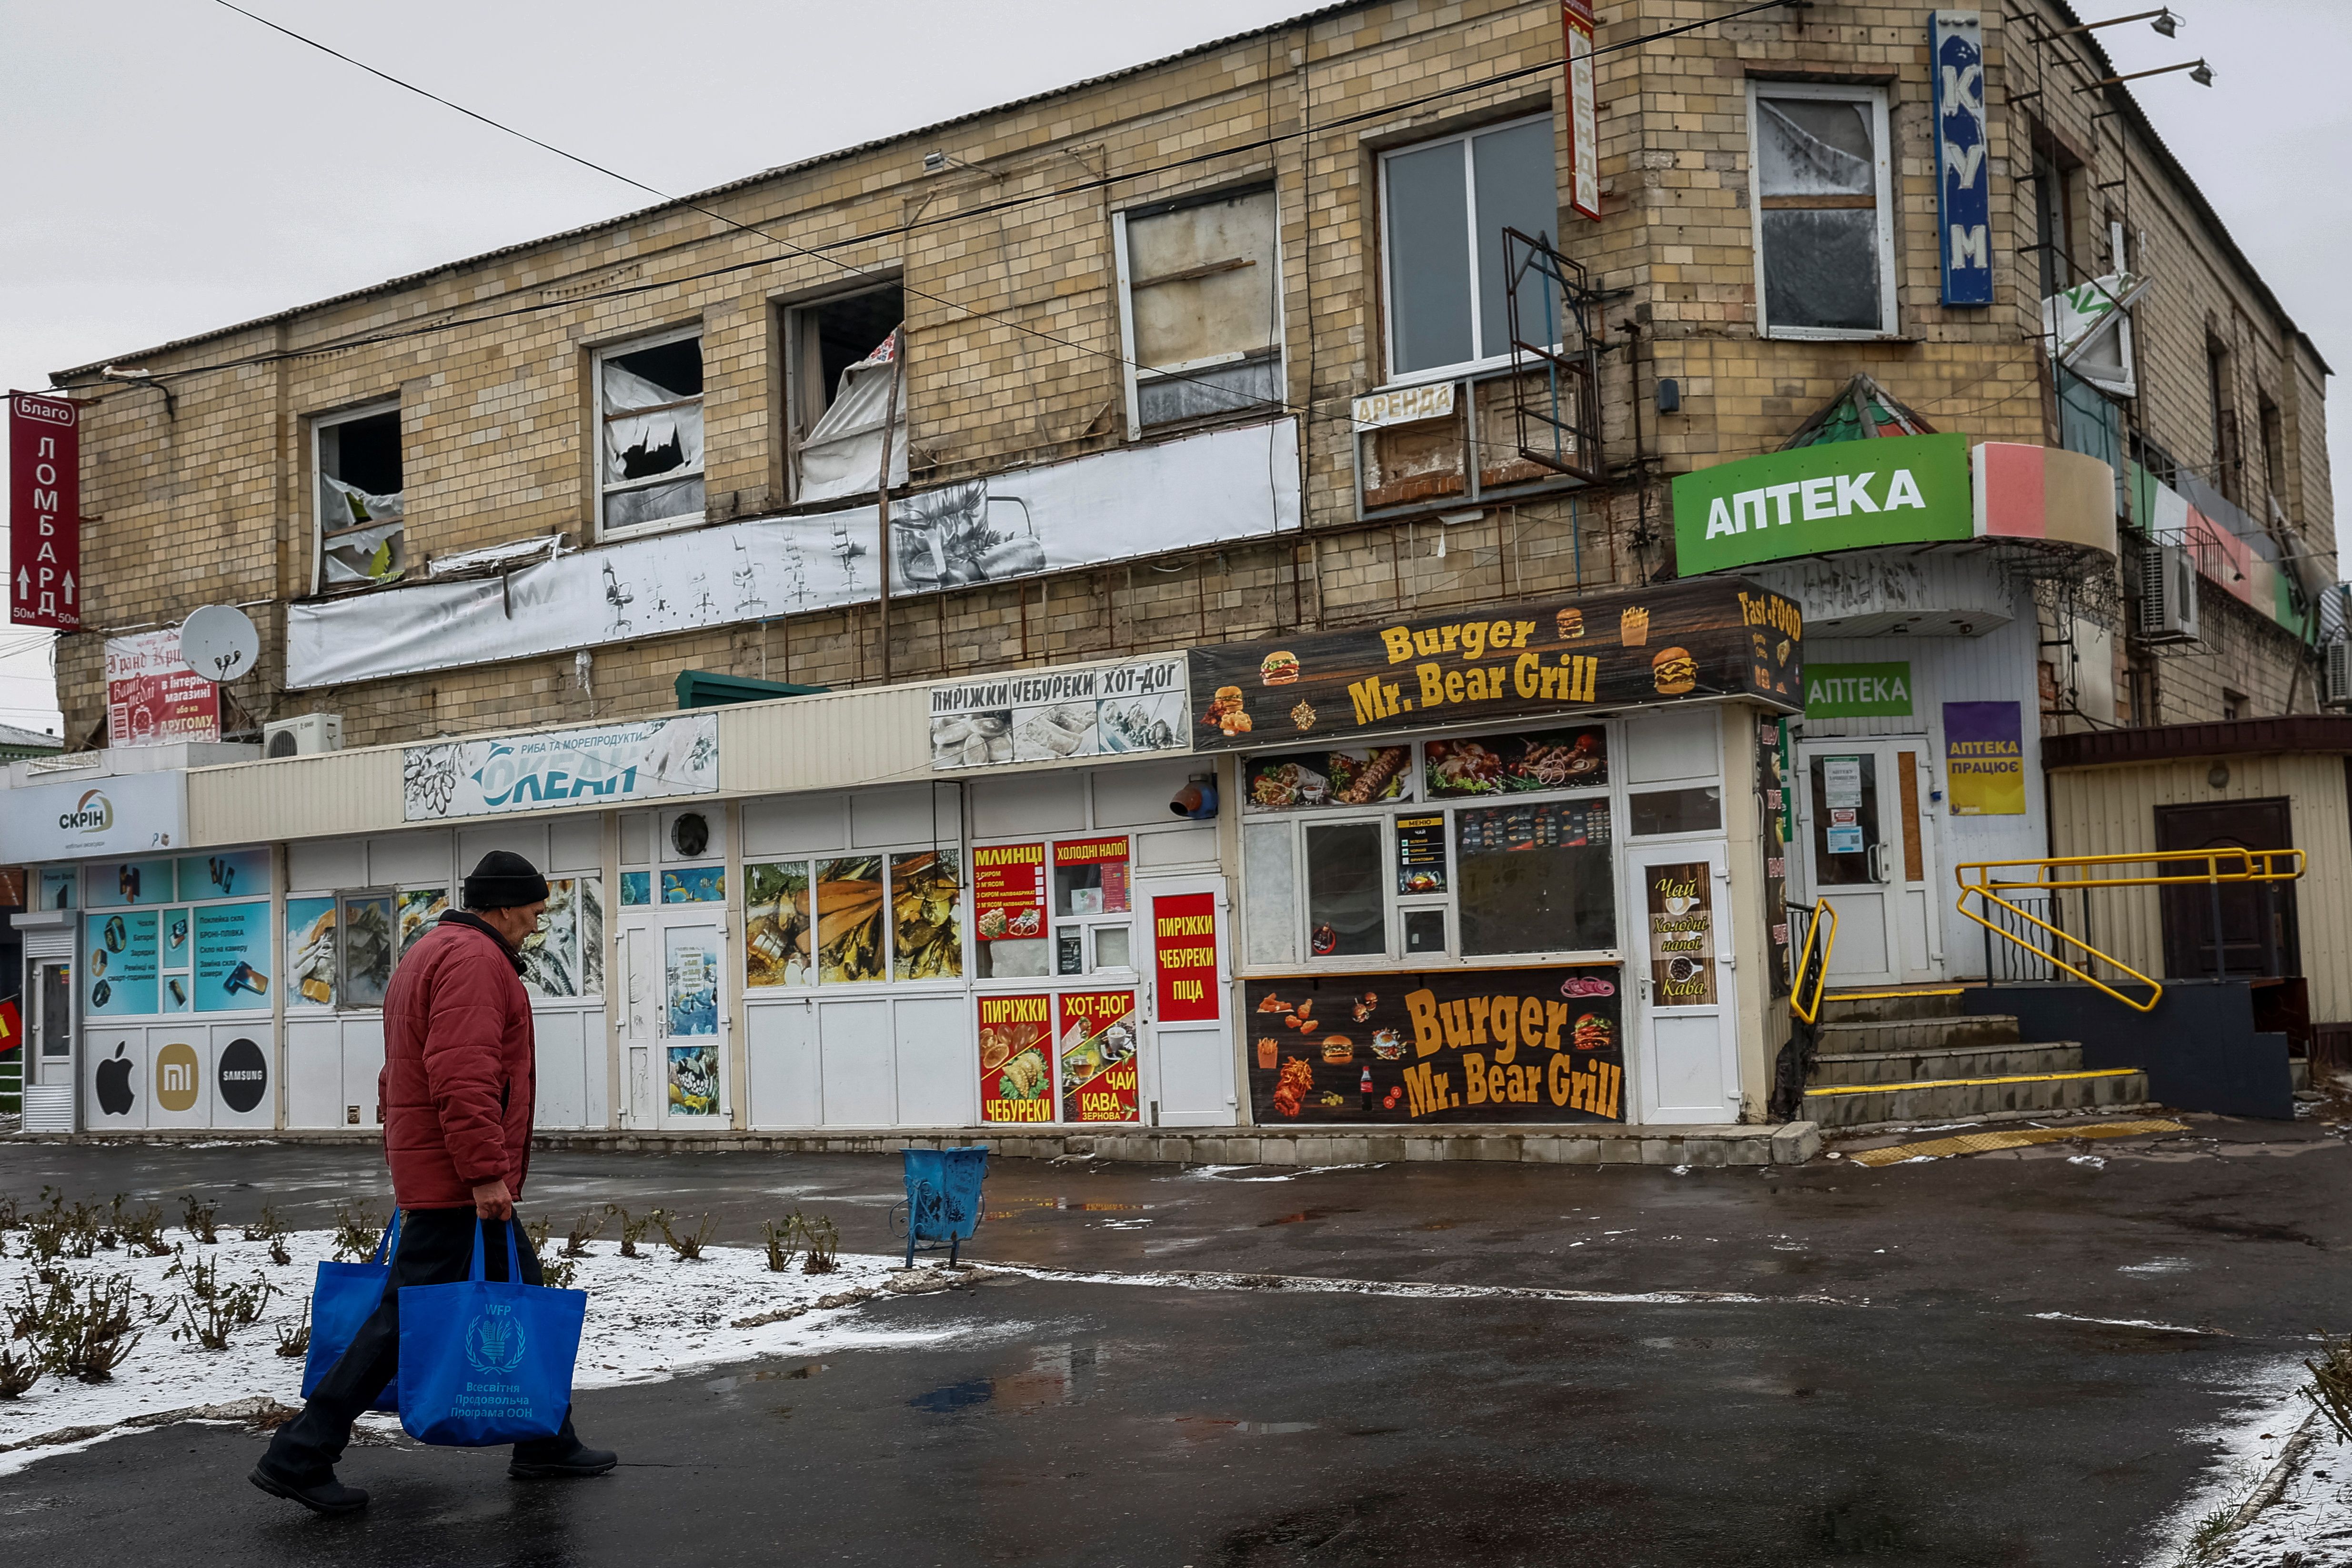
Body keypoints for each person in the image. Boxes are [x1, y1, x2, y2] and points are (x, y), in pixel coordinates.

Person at [252, 851, 616, 1515]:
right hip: (459, 1177)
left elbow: (404, 1072)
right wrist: (483, 1173)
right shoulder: (476, 963)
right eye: (533, 910)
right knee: (399, 1322)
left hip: (442, 1167)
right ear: (504, 906)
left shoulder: (432, 950)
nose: (537, 922)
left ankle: (545, 1439)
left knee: (520, 1290)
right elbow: (463, 1076)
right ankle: (301, 1453)